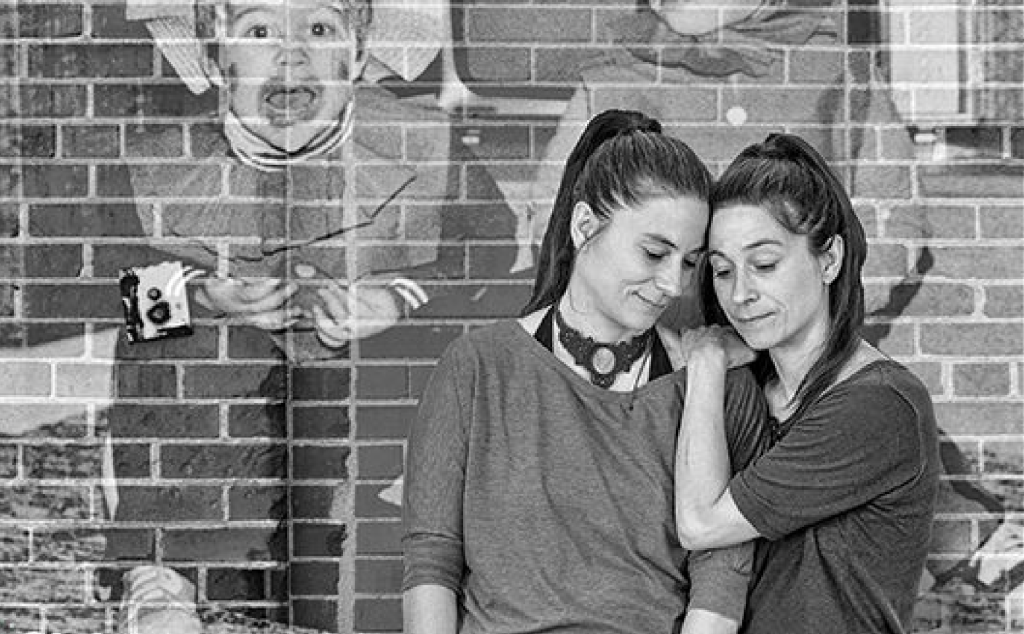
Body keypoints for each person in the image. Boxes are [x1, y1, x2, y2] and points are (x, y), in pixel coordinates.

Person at [102, 0, 522, 628]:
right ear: (216, 56)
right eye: (260, 30)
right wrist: (203, 293)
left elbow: (493, 251)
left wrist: (400, 297)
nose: (290, 53)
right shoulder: (157, 165)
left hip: (365, 411)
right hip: (224, 429)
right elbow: (101, 285)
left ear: (358, 53)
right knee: (162, 323)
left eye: (320, 28)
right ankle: (161, 573)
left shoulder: (428, 145)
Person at [402, 109, 769, 634]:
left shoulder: (718, 386)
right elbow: (432, 558)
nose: (674, 284)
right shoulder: (477, 368)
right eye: (654, 253)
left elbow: (722, 577)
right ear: (584, 226)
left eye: (690, 262)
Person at [669, 133, 941, 633]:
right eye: (723, 271)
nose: (740, 294)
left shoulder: (879, 405)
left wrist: (705, 360)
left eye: (764, 264)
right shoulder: (749, 393)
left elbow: (700, 524)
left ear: (829, 259)